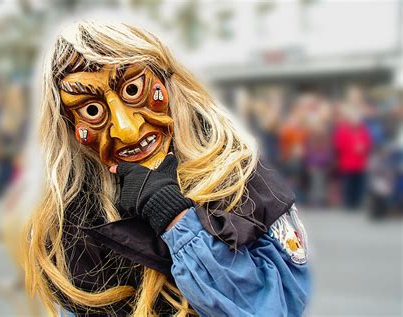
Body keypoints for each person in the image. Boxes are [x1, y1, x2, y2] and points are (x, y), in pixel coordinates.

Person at [23, 21, 311, 316]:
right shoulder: (73, 225)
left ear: (168, 81)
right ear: (70, 128)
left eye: (133, 89)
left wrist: (177, 220)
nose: (127, 130)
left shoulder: (243, 180)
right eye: (92, 111)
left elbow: (278, 307)